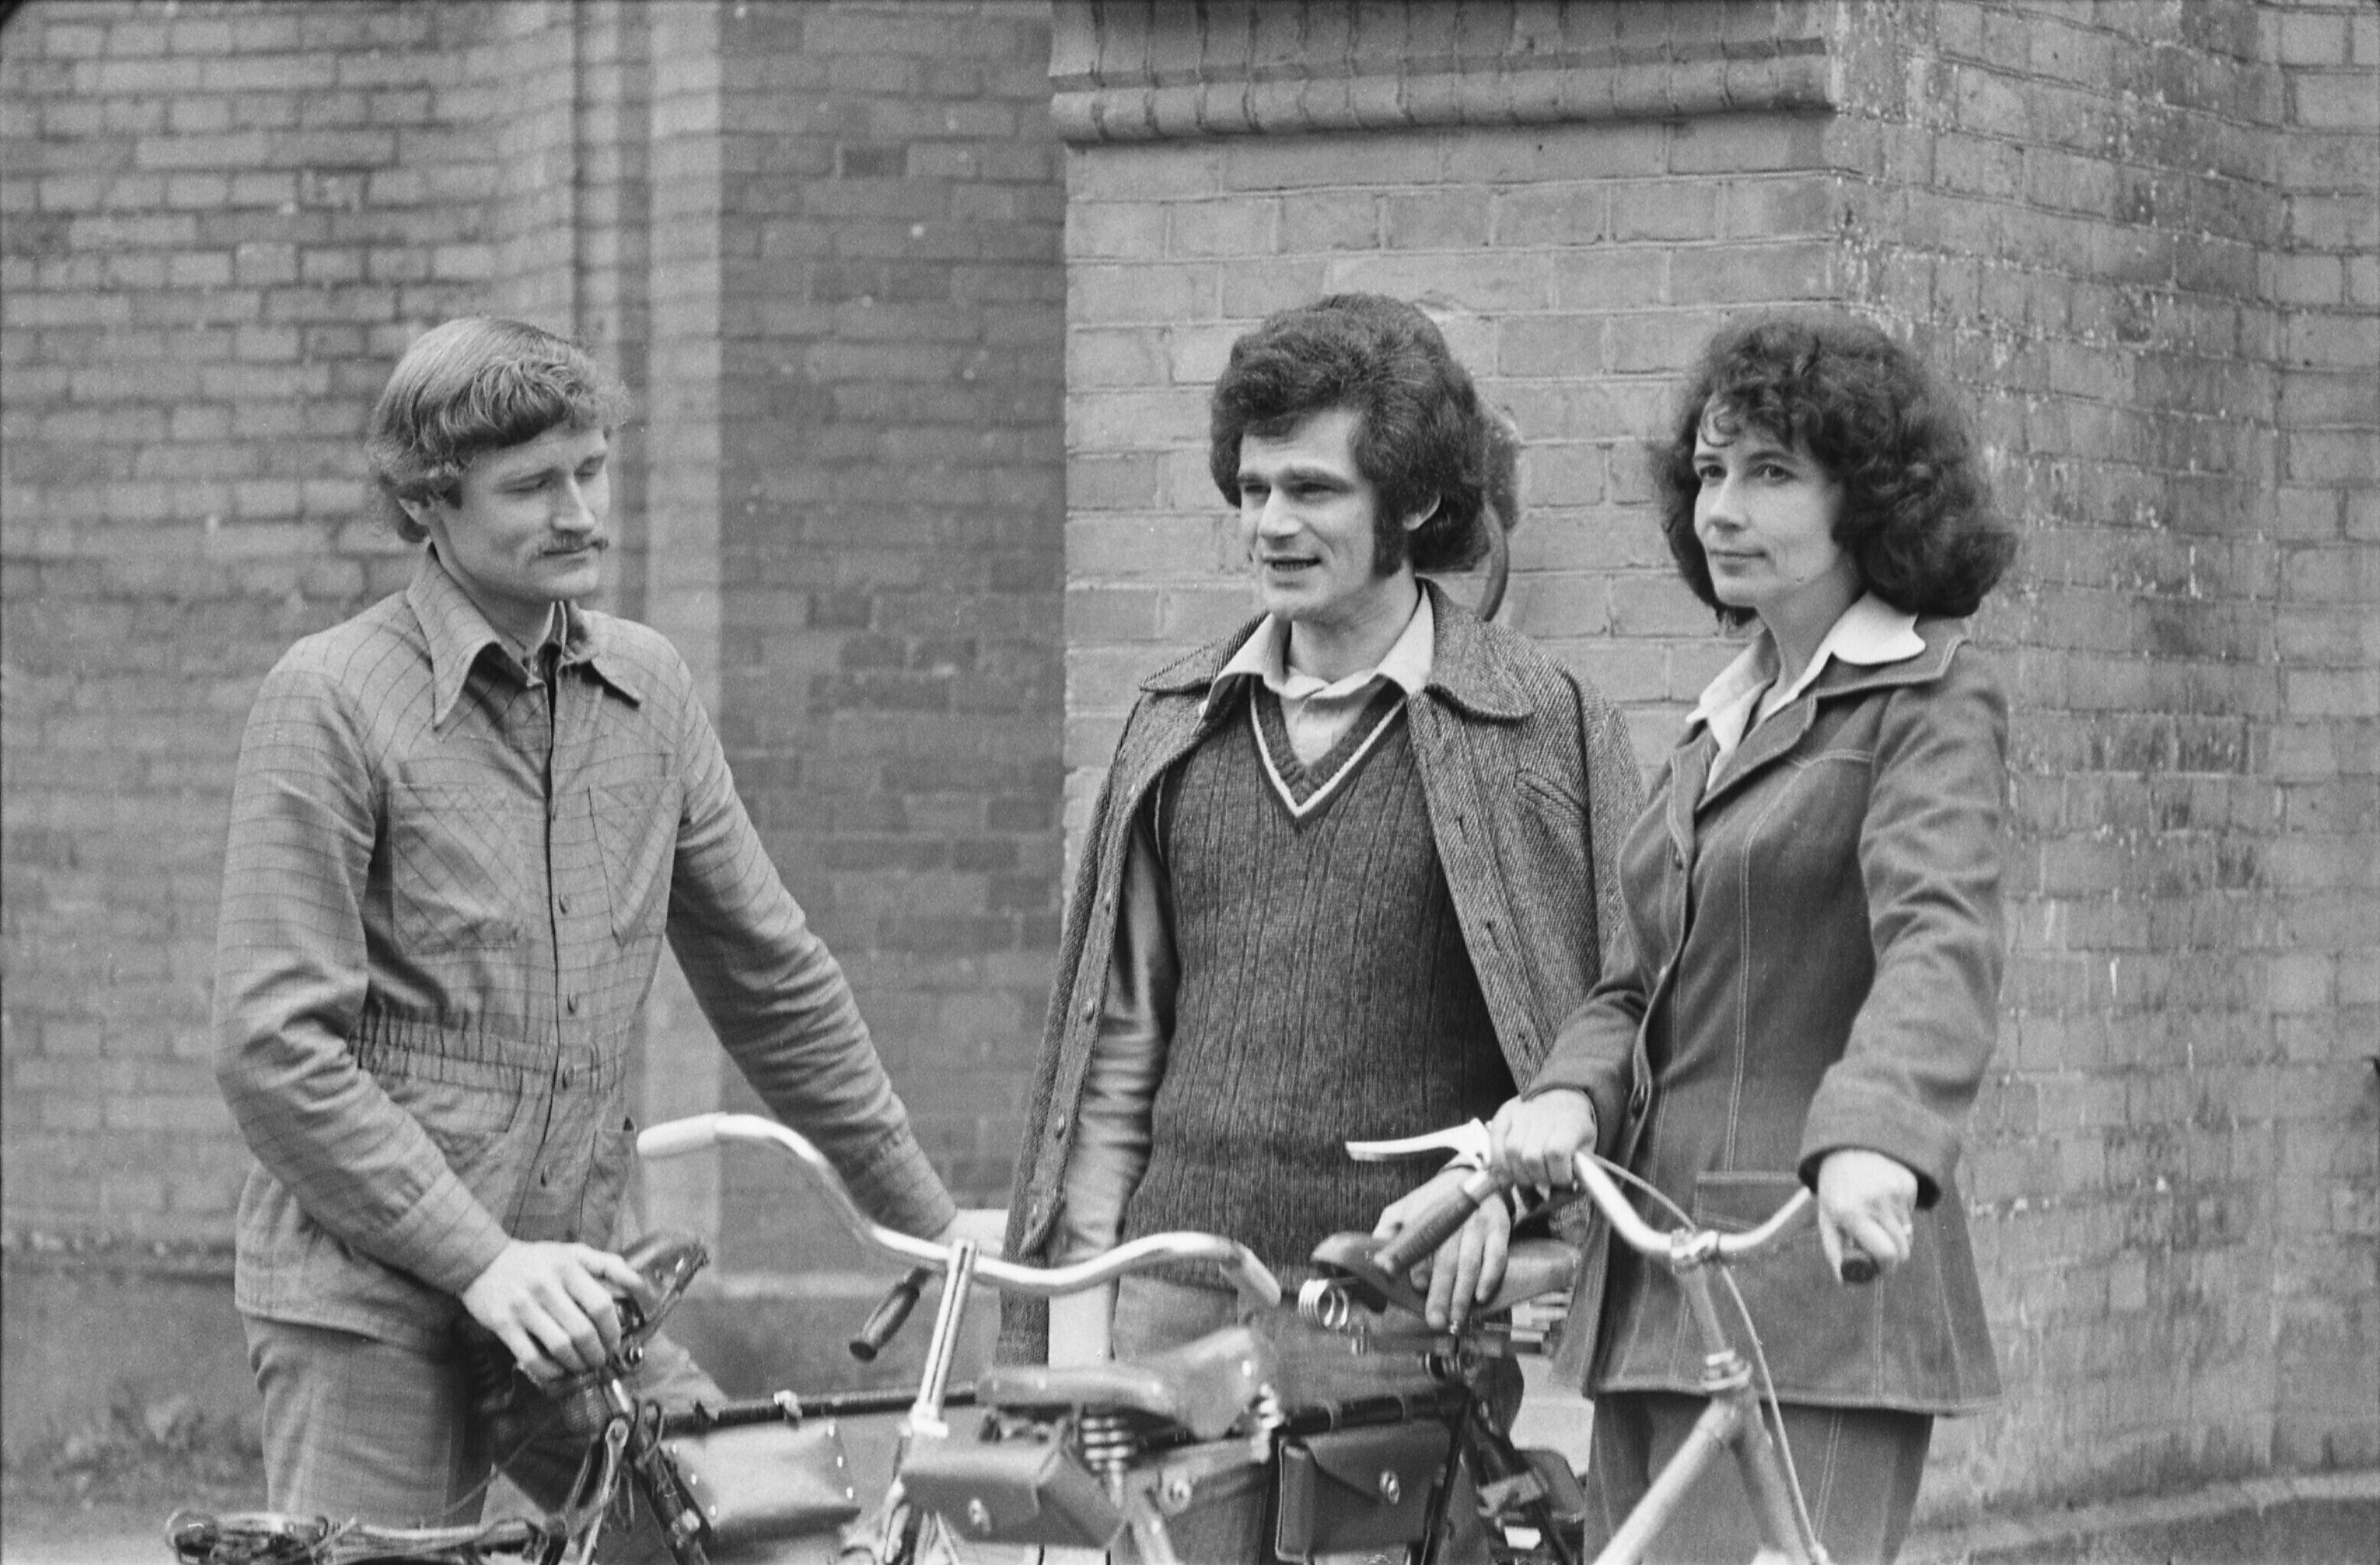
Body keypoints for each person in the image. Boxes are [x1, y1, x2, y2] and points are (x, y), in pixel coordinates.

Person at [212, 317, 960, 1538]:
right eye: (532, 486)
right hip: (369, 1305)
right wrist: (482, 1261)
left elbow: (769, 973)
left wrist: (927, 1225)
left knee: (777, 1538)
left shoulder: (647, 689)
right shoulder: (331, 698)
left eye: (592, 470)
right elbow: (272, 1050)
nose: (579, 513)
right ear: (428, 503)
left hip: (576, 1299)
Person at [997, 293, 1644, 1367]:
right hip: (1169, 1302)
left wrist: (1503, 1195)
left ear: (1416, 500)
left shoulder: (1542, 725)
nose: (1270, 525)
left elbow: (1615, 1017)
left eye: (1312, 489)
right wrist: (1075, 1339)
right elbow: (1112, 1060)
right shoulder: (1177, 724)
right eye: (1253, 489)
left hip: (1397, 1312)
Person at [1487, 313, 2018, 1564]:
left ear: (1866, 499)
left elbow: (1938, 935)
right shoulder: (1719, 724)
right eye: (1709, 473)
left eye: (1770, 472)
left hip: (1810, 1286)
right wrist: (1565, 1095)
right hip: (1655, 1278)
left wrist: (1878, 1136)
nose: (1721, 509)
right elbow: (1635, 986)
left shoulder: (1927, 699)